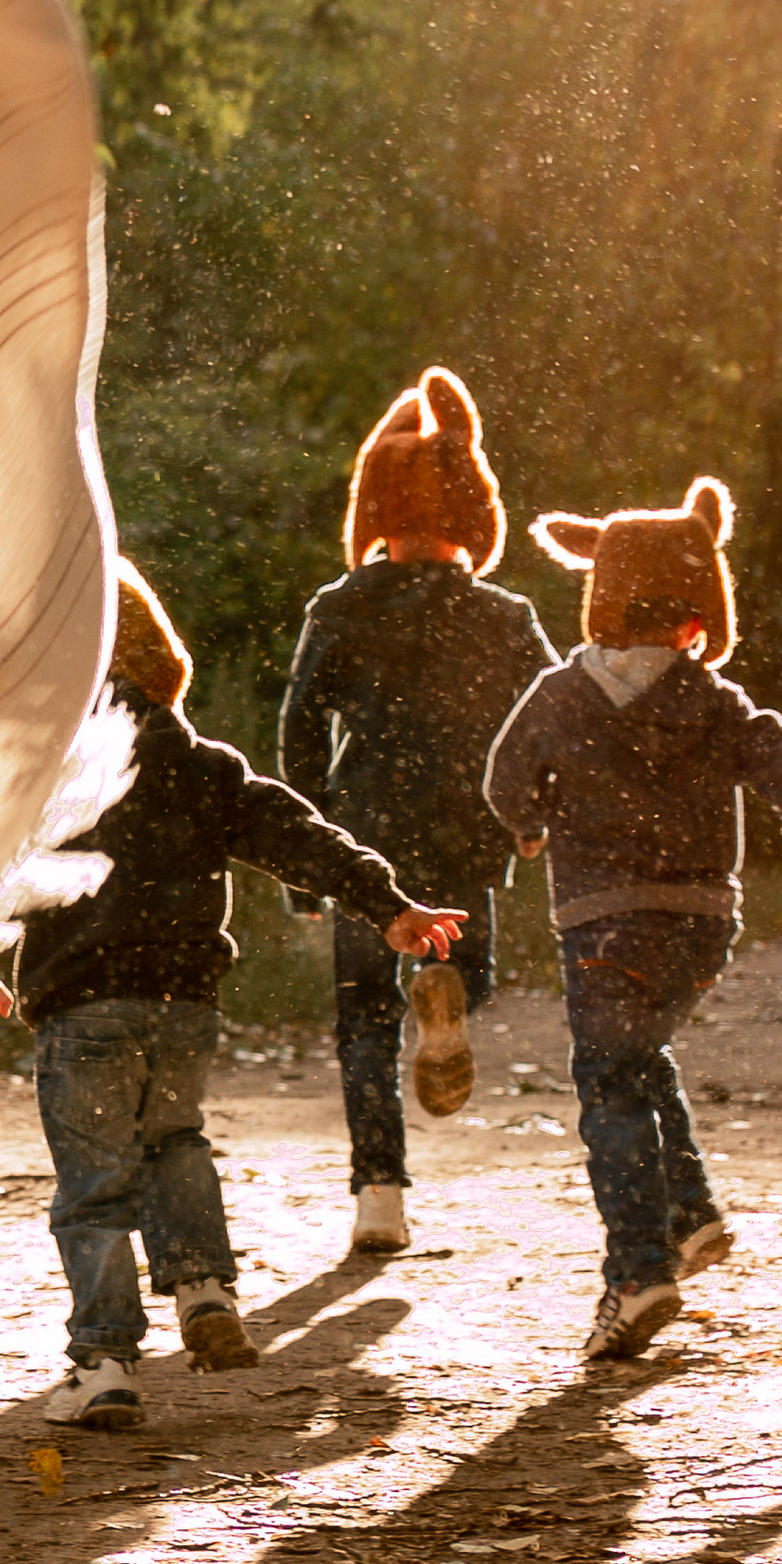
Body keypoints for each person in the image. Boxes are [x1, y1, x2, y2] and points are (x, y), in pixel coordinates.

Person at [0, 563, 464, 1430]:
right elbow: (298, 833)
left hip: (84, 1005)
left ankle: (104, 1362)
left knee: (94, 1186)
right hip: (184, 1004)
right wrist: (388, 905)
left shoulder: (39, 775)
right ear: (163, 662)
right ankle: (206, 1289)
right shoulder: (205, 767)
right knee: (174, 1140)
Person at [482, 477, 782, 1367]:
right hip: (702, 925)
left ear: (602, 598)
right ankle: (690, 1212)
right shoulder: (720, 704)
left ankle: (638, 1276)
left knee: (610, 1086)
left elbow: (502, 777)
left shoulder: (560, 695)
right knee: (637, 1057)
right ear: (699, 614)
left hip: (600, 920)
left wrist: (528, 822)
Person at [278, 369, 557, 1256]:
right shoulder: (505, 616)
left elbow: (298, 728)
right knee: (468, 972)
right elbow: (547, 713)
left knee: (362, 1015)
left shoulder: (340, 607)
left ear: (373, 508)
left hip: (365, 833)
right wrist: (532, 810)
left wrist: (306, 854)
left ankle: (380, 1198)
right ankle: (453, 998)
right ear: (476, 513)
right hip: (466, 830)